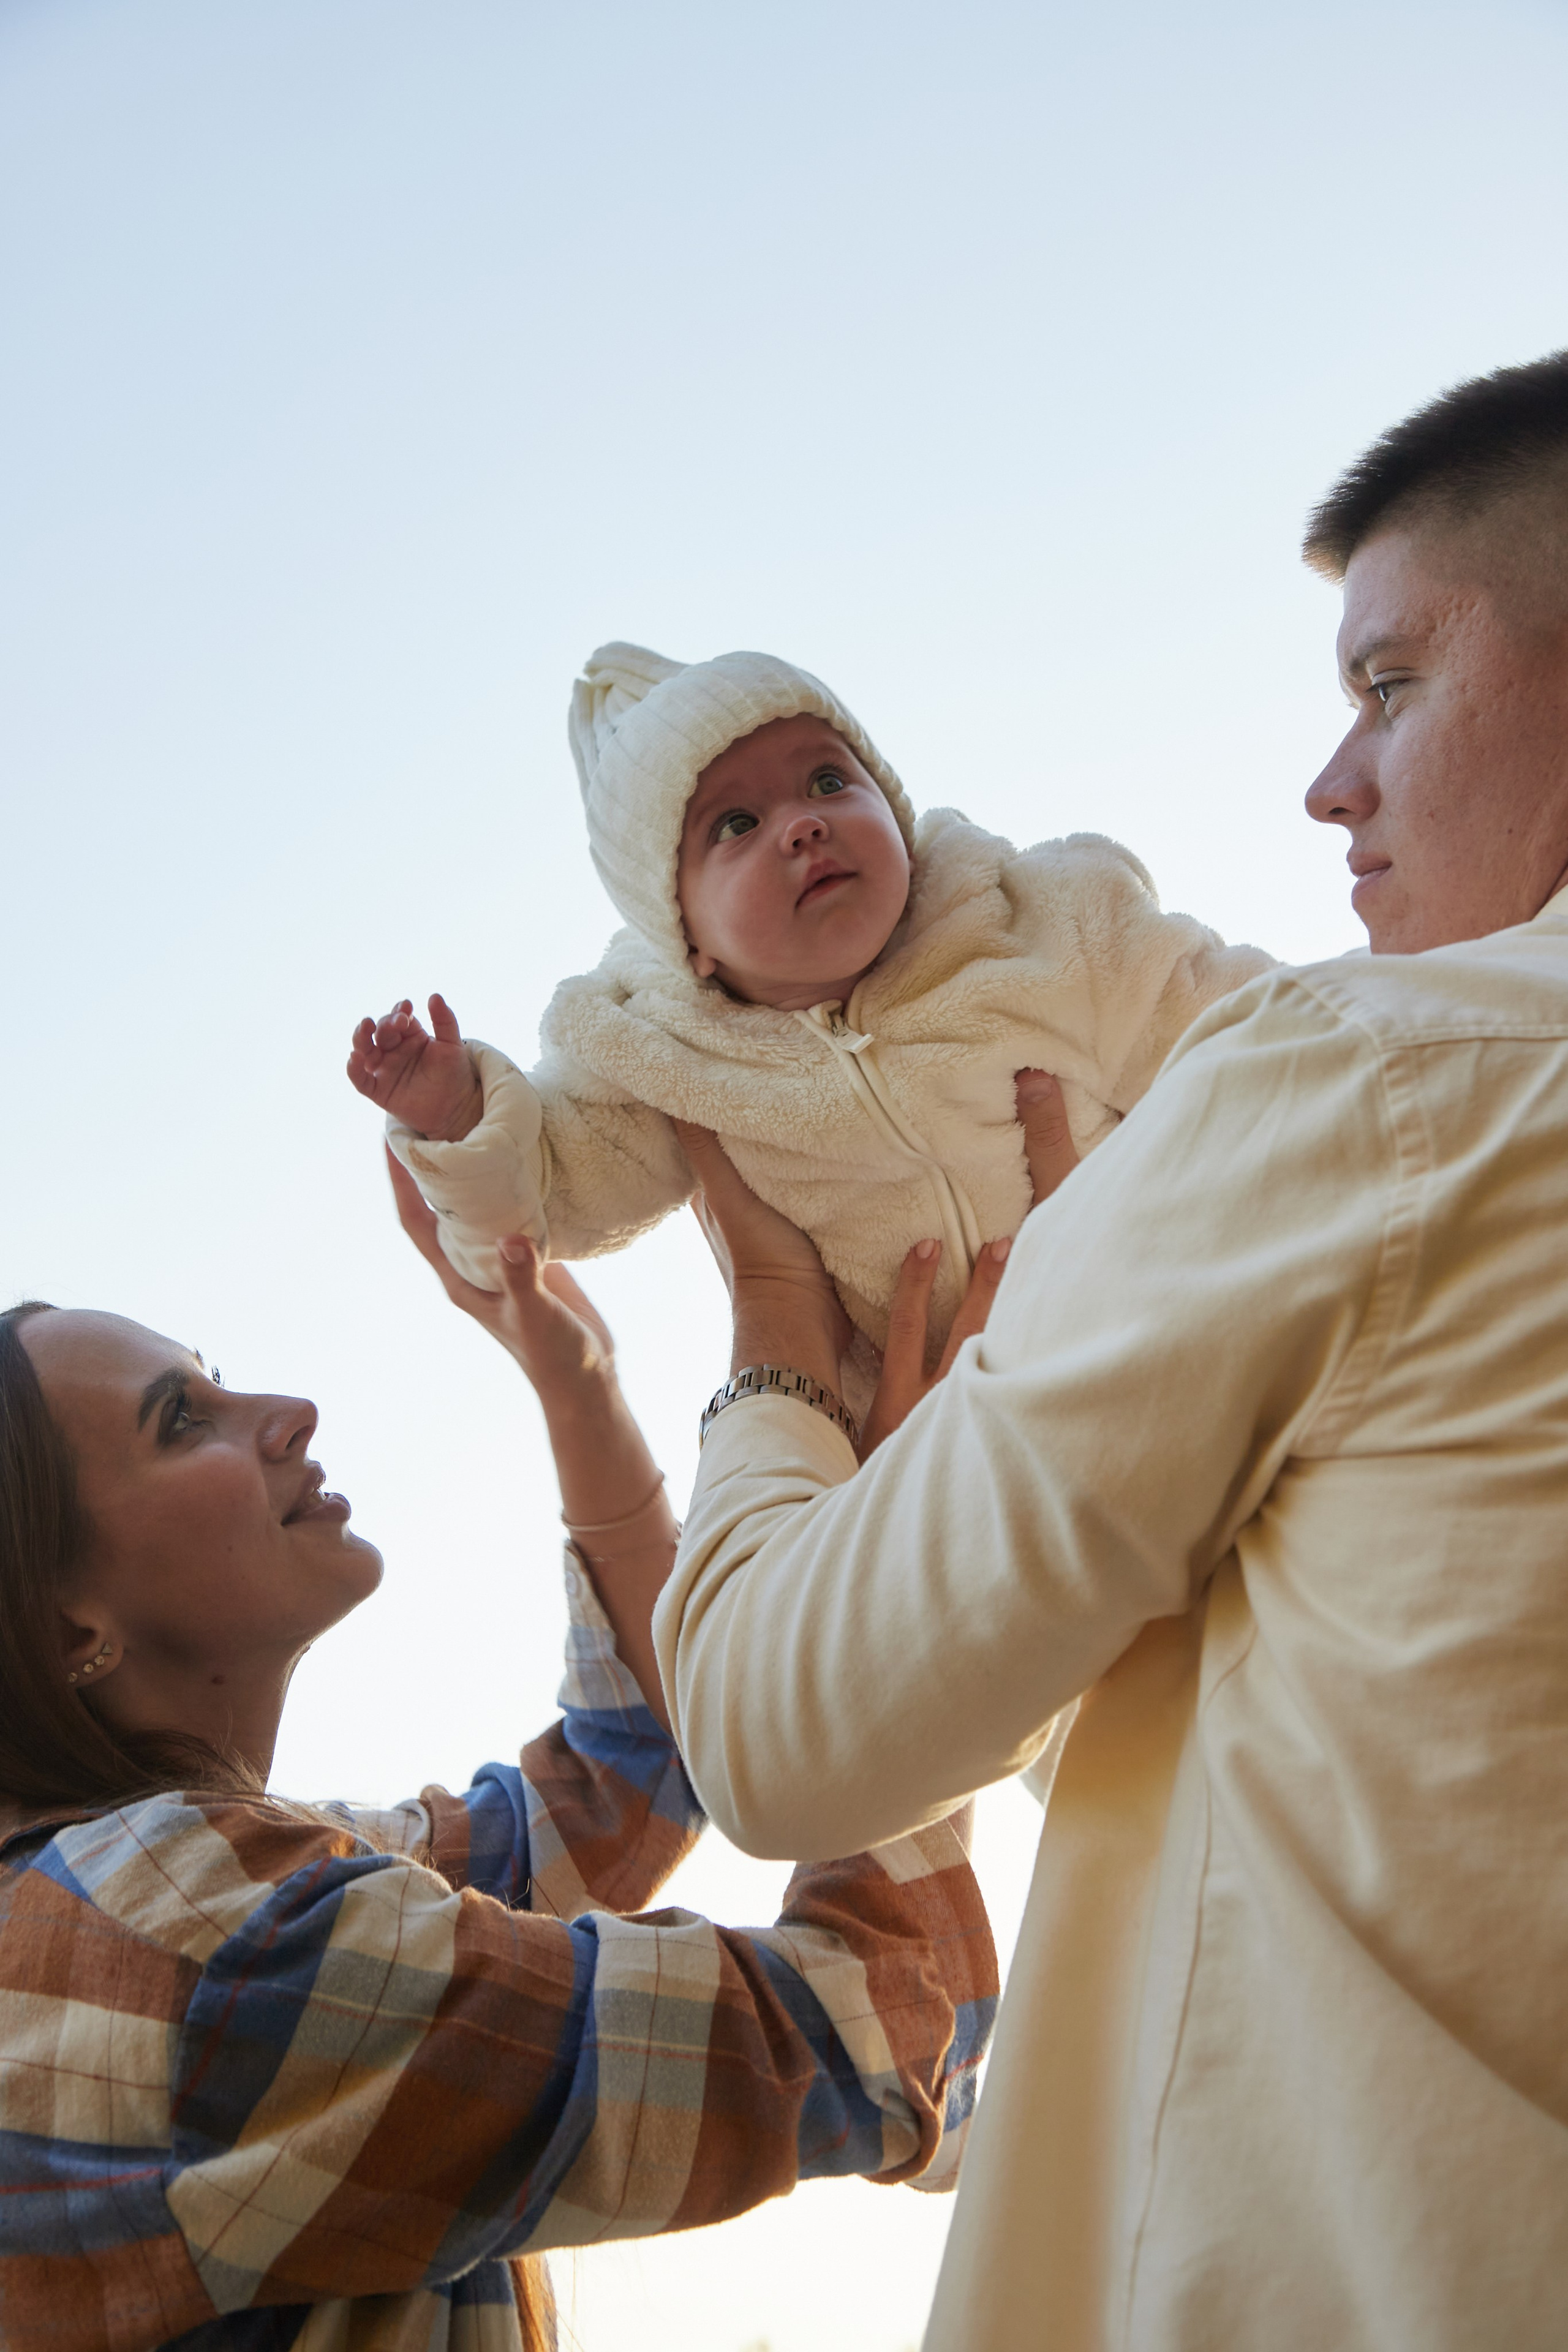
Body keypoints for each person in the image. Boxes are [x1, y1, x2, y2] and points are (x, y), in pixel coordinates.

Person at [652, 347, 1568, 2351]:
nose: (1331, 785)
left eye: (1395, 685)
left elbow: (781, 1724)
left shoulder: (1364, 1083)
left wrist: (776, 1357)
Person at [0, 1159, 997, 2352]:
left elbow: (617, 1785)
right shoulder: (215, 1952)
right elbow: (873, 2028)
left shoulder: (119, 1913)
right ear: (65, 1627)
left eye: (213, 1379)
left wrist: (577, 1388)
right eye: (181, 1420)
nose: (286, 1410)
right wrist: (882, 1490)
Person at [345, 636, 1270, 1408]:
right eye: (735, 824)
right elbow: (551, 1195)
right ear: (684, 937)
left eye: (829, 781)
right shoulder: (664, 1057)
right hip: (957, 1432)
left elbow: (1258, 1033)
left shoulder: (1039, 921)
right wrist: (460, 1114)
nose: (801, 825)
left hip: (1187, 1317)